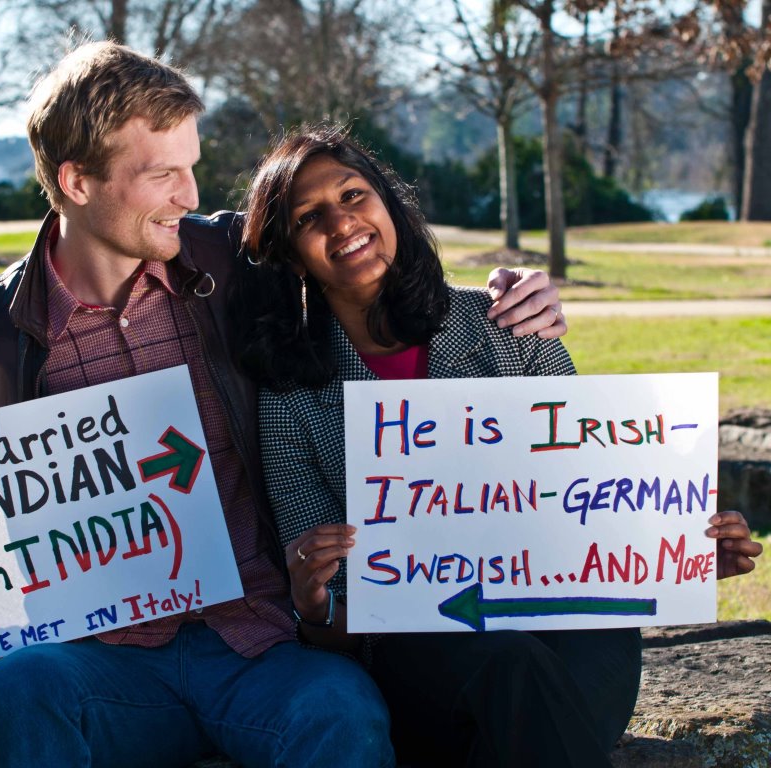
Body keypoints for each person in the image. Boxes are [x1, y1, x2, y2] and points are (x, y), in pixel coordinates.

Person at [0, 45, 570, 767]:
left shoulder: (235, 261)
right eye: (163, 175)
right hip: (100, 664)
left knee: (341, 712)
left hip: (262, 647)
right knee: (20, 689)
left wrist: (507, 293)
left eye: (192, 167)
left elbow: (365, 260)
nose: (192, 196)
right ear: (77, 182)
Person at [234, 125, 764, 768]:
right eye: (308, 218)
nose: (342, 223)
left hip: (571, 631)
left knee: (533, 673)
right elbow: (345, 629)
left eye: (353, 195)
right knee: (510, 664)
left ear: (389, 205)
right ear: (291, 255)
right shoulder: (292, 398)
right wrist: (312, 602)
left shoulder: (505, 320)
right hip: (424, 656)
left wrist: (681, 554)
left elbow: (598, 498)